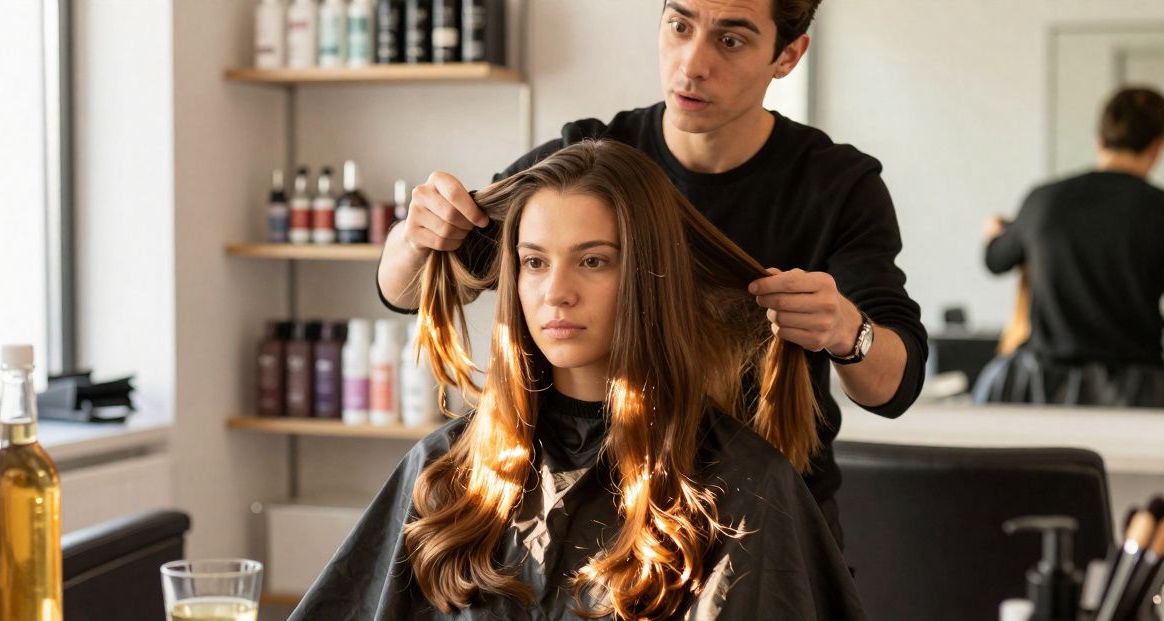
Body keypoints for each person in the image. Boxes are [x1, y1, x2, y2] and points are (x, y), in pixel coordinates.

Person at [273, 140, 898, 621]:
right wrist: (411, 238)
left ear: (649, 278)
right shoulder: (445, 470)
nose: (556, 292)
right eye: (535, 261)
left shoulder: (740, 489)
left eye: (593, 260)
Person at [375, 0, 927, 547]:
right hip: (597, 516)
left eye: (730, 40)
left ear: (787, 55)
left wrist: (845, 332)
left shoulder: (837, 186)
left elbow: (894, 387)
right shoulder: (590, 159)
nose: (692, 63)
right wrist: (417, 233)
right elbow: (405, 291)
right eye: (679, 26)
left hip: (766, 528)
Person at [978, 86, 1164, 407]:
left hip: (1042, 389)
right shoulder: (1158, 209)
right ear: (1157, 146)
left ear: (1099, 140)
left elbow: (996, 260)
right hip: (1138, 393)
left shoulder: (1044, 201)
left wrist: (994, 234)